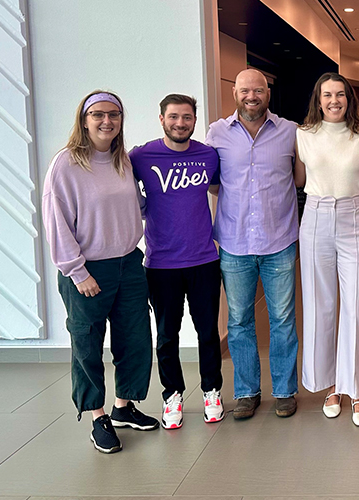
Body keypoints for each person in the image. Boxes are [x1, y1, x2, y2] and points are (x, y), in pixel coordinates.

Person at [42, 90, 158, 454]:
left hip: (128, 264)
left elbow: (135, 205)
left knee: (136, 340)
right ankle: (97, 417)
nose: (107, 121)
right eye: (98, 114)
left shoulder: (123, 160)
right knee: (88, 345)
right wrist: (78, 272)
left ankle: (123, 408)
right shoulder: (67, 164)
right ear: (84, 119)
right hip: (89, 269)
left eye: (114, 114)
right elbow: (56, 221)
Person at [206, 68, 300, 420]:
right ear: (235, 93)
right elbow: (214, 183)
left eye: (258, 90)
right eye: (245, 90)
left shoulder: (290, 132)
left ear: (268, 93)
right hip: (233, 242)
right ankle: (246, 392)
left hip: (279, 241)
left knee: (283, 319)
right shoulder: (216, 133)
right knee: (240, 321)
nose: (251, 96)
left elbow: (300, 178)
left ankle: (284, 390)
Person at [129, 94, 223, 429]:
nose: (180, 123)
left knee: (208, 331)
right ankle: (172, 394)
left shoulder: (208, 155)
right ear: (161, 119)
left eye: (186, 117)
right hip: (161, 264)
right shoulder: (141, 156)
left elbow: (216, 189)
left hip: (204, 260)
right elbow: (121, 187)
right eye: (173, 117)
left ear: (194, 121)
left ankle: (212, 390)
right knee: (167, 335)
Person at [295, 72, 359, 426]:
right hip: (314, 216)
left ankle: (356, 390)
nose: (334, 101)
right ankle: (330, 385)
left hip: (353, 217)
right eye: (327, 95)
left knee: (356, 306)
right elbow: (299, 180)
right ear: (318, 99)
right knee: (320, 305)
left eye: (340, 95)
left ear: (349, 99)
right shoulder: (303, 135)